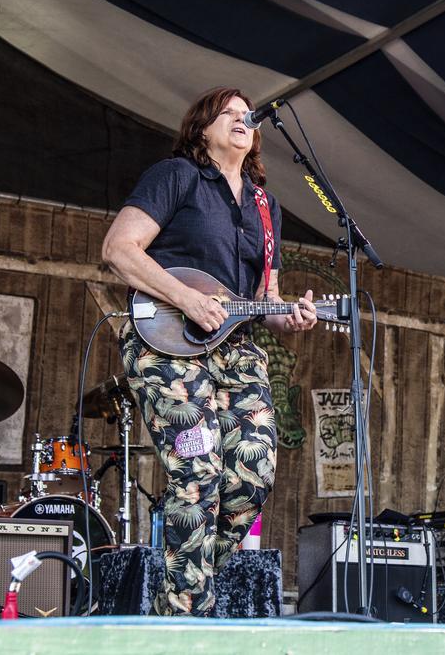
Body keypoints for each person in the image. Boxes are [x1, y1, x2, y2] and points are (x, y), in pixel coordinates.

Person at [102, 87, 320, 617]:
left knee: (252, 477)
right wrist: (187, 299)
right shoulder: (176, 175)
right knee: (196, 475)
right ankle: (184, 619)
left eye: (249, 115)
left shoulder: (266, 208)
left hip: (237, 348)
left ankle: (181, 593)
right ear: (203, 129)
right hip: (168, 342)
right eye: (230, 112)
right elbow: (117, 250)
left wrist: (288, 316)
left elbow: (263, 302)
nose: (244, 119)